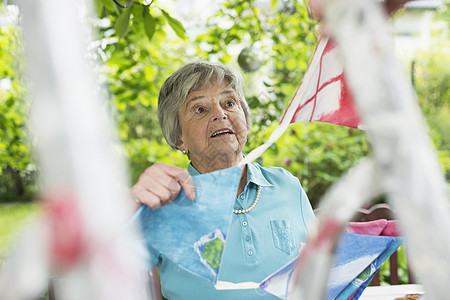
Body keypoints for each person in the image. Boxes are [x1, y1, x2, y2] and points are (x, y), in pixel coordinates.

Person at [131, 60, 315, 299]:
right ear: (179, 138)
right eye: (200, 109)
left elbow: (324, 271)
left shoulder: (286, 186)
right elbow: (94, 277)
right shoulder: (165, 203)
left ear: (245, 119)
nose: (220, 114)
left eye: (229, 103)